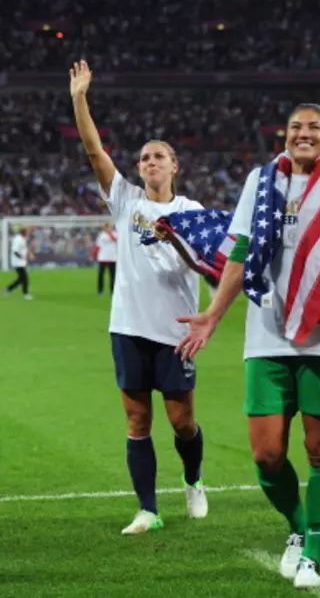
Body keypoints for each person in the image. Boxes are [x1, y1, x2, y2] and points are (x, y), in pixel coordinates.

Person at [174, 103, 320, 589]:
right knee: (266, 455)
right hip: (265, 336)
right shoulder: (261, 182)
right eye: (297, 127)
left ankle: (313, 554)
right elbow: (239, 250)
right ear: (284, 134)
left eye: (314, 127)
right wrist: (213, 315)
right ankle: (298, 530)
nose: (304, 133)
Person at [69, 60, 208, 535]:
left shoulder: (192, 212)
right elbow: (92, 149)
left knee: (183, 421)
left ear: (175, 166)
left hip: (176, 329)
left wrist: (176, 241)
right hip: (129, 325)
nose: (150, 163)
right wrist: (79, 98)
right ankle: (148, 508)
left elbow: (208, 265)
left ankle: (193, 480)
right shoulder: (126, 199)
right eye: (144, 158)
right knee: (136, 419)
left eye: (158, 157)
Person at [5, 227, 32, 300]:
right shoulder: (18, 239)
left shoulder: (23, 239)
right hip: (17, 262)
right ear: (24, 232)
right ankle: (25, 294)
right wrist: (22, 257)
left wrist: (29, 255)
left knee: (21, 279)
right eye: (27, 231)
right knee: (25, 278)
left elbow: (24, 248)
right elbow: (15, 251)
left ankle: (8, 289)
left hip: (21, 262)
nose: (28, 233)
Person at [94, 222, 118, 296]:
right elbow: (98, 246)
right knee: (101, 275)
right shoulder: (102, 235)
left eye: (109, 227)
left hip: (113, 258)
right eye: (107, 227)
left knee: (113, 276)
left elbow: (115, 239)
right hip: (103, 258)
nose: (108, 229)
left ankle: (112, 291)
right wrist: (93, 255)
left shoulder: (115, 234)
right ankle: (100, 290)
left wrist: (110, 233)